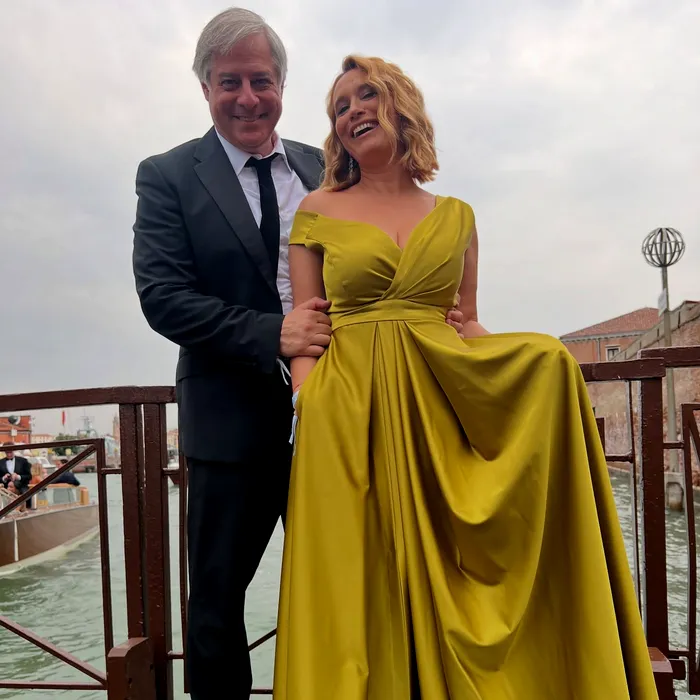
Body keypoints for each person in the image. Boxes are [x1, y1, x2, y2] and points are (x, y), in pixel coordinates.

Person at [273, 55, 658, 699]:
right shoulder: (316, 209)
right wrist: (308, 398)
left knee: (453, 575)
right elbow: (307, 323)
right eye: (339, 107)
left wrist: (541, 363)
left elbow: (467, 324)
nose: (352, 112)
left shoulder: (457, 216)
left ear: (400, 104)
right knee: (357, 578)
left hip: (437, 406)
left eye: (366, 95)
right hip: (349, 410)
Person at [131, 9, 463, 699]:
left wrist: (440, 319)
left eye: (261, 81)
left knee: (364, 582)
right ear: (205, 88)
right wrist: (270, 333)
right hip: (230, 429)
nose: (247, 97)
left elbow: (386, 258)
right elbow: (163, 298)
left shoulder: (331, 167)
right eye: (230, 82)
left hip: (348, 418)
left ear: (282, 85)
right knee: (218, 605)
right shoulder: (167, 175)